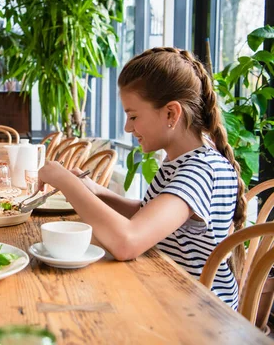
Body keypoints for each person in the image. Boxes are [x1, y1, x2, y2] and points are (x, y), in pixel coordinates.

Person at [39, 47, 246, 309]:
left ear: (171, 113)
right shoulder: (182, 159)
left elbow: (128, 242)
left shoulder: (200, 170)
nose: (127, 127)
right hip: (167, 291)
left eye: (133, 116)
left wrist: (65, 182)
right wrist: (96, 191)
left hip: (200, 315)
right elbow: (151, 215)